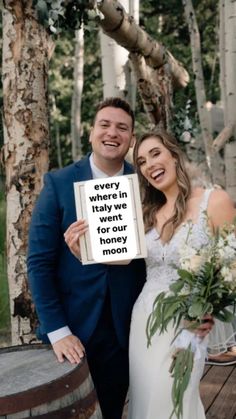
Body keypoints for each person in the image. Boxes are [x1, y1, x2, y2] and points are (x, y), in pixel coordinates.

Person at [27, 97, 146, 419]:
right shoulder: (59, 183)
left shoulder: (145, 184)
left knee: (110, 411)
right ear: (91, 132)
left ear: (131, 138)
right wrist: (58, 330)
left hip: (126, 329)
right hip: (72, 328)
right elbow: (38, 262)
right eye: (104, 124)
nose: (112, 133)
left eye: (122, 128)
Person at [127, 130, 236, 419]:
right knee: (147, 401)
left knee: (173, 399)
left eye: (155, 154)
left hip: (189, 323)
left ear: (174, 156)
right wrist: (80, 250)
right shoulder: (146, 214)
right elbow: (119, 260)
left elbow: (230, 267)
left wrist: (208, 310)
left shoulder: (214, 201)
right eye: (141, 162)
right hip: (145, 322)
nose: (149, 165)